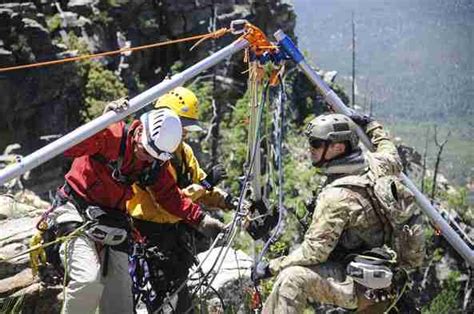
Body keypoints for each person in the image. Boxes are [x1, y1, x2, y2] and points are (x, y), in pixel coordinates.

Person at [45, 101, 224, 314]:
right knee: (88, 282)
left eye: (153, 157)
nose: (146, 158)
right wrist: (100, 125)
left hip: (112, 220)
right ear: (139, 130)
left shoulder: (154, 162)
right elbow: (70, 147)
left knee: (121, 299)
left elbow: (169, 196)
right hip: (74, 209)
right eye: (145, 151)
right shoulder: (111, 136)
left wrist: (201, 220)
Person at [252, 113, 425, 313]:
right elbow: (389, 151)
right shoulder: (377, 165)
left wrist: (270, 267)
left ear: (338, 147)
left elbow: (313, 253)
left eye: (316, 144)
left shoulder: (335, 197)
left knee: (290, 279)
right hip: (389, 276)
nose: (310, 149)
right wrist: (371, 125)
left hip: (361, 288)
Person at [126, 87, 235, 312]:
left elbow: (200, 184)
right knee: (160, 297)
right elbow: (168, 200)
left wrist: (228, 200)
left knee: (179, 294)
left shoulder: (183, 152)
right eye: (181, 127)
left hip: (176, 233)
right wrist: (203, 196)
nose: (184, 134)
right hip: (149, 233)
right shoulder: (152, 155)